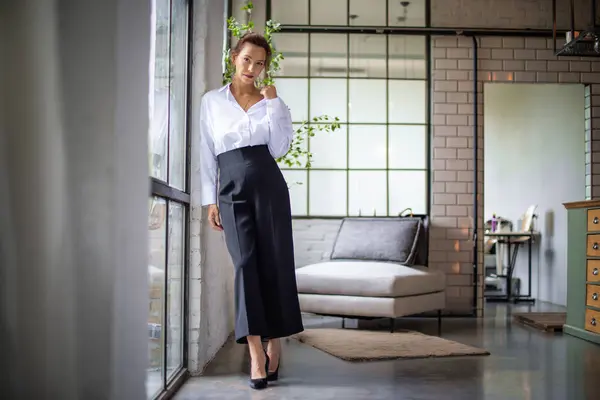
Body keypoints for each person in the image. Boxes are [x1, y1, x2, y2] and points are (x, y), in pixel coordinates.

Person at [199, 32, 304, 390]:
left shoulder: (271, 101)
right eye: (247, 60)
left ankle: (274, 345)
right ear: (233, 59)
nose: (253, 68)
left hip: (268, 184)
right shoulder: (212, 102)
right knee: (245, 264)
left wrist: (273, 104)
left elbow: (279, 148)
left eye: (260, 63)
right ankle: (255, 353)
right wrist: (209, 199)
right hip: (230, 188)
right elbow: (205, 152)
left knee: (275, 262)